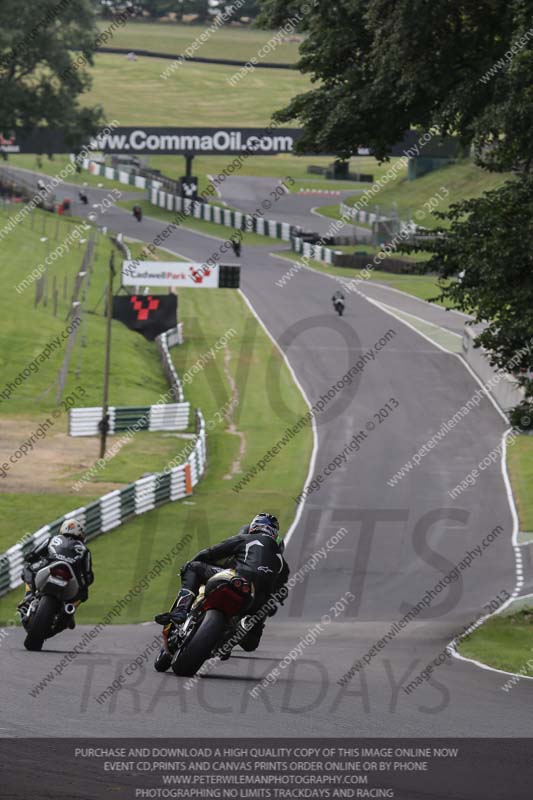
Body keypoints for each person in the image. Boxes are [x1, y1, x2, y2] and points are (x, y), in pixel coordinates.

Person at [155, 513, 289, 652]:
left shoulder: (245, 539)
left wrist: (191, 562)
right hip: (256, 600)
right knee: (252, 641)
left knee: (193, 567)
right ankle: (228, 640)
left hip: (237, 579)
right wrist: (272, 602)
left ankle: (181, 610)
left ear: (254, 526)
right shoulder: (281, 561)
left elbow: (210, 552)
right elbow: (281, 590)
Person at [18, 519, 94, 624]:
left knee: (27, 568)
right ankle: (69, 610)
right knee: (84, 593)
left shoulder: (53, 539)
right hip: (70, 577)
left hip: (49, 567)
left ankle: (29, 595)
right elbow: (88, 575)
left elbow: (33, 554)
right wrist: (84, 583)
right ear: (80, 533)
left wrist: (29, 556)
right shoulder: (85, 550)